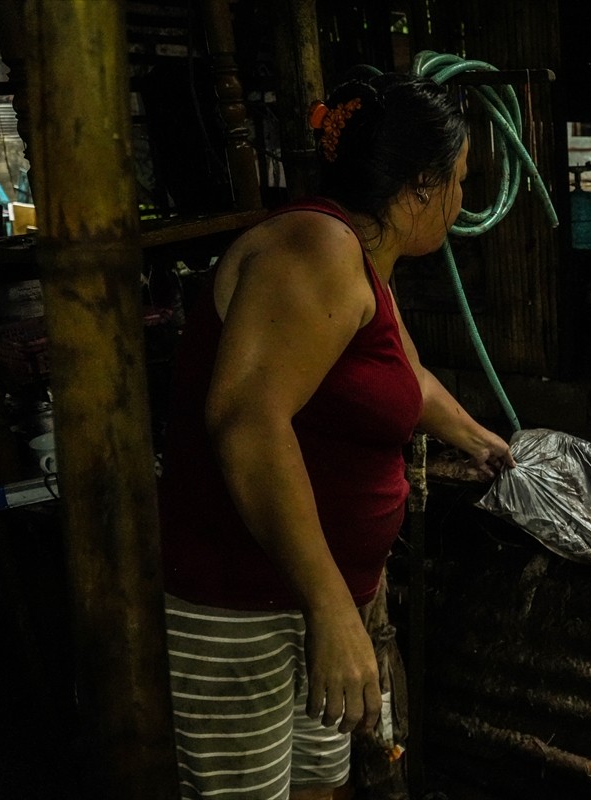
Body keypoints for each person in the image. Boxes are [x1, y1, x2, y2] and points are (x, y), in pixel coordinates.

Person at [157, 67, 515, 800]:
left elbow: (406, 381)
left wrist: (482, 442)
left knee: (321, 785)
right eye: (458, 181)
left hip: (310, 601)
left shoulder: (361, 262)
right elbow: (247, 422)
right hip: (247, 605)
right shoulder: (314, 253)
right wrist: (330, 608)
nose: (461, 201)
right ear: (419, 186)